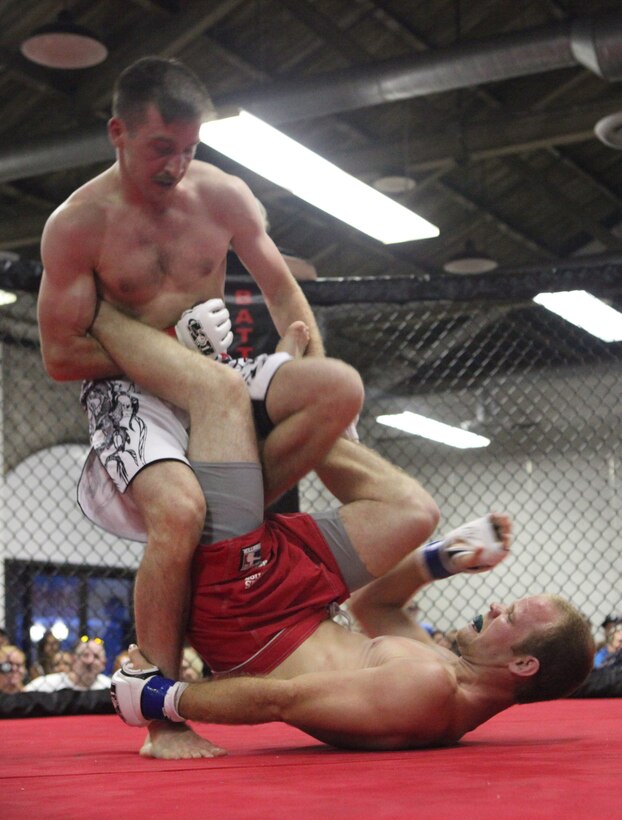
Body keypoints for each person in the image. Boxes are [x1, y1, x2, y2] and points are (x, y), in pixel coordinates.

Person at [36, 56, 362, 757]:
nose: (177, 166)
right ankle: (161, 718)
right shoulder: (77, 226)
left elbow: (281, 289)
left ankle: (228, 532)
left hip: (219, 370)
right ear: (118, 132)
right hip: (131, 390)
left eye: (189, 149)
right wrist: (165, 342)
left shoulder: (225, 196)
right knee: (179, 511)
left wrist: (307, 358)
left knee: (338, 389)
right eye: (161, 148)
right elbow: (61, 357)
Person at [89, 304, 594, 757]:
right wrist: (444, 558)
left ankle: (93, 318)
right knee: (416, 512)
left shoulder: (427, 692)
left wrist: (162, 698)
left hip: (245, 617)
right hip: (297, 598)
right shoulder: (444, 671)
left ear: (524, 665)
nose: (495, 605)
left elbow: (279, 699)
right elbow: (375, 606)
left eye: (511, 616)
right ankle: (283, 408)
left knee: (217, 391)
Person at [24, 639, 110, 693]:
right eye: (85, 655)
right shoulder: (47, 683)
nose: (90, 661)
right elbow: (23, 694)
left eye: (96, 657)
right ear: (74, 660)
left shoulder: (109, 686)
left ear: (103, 664)